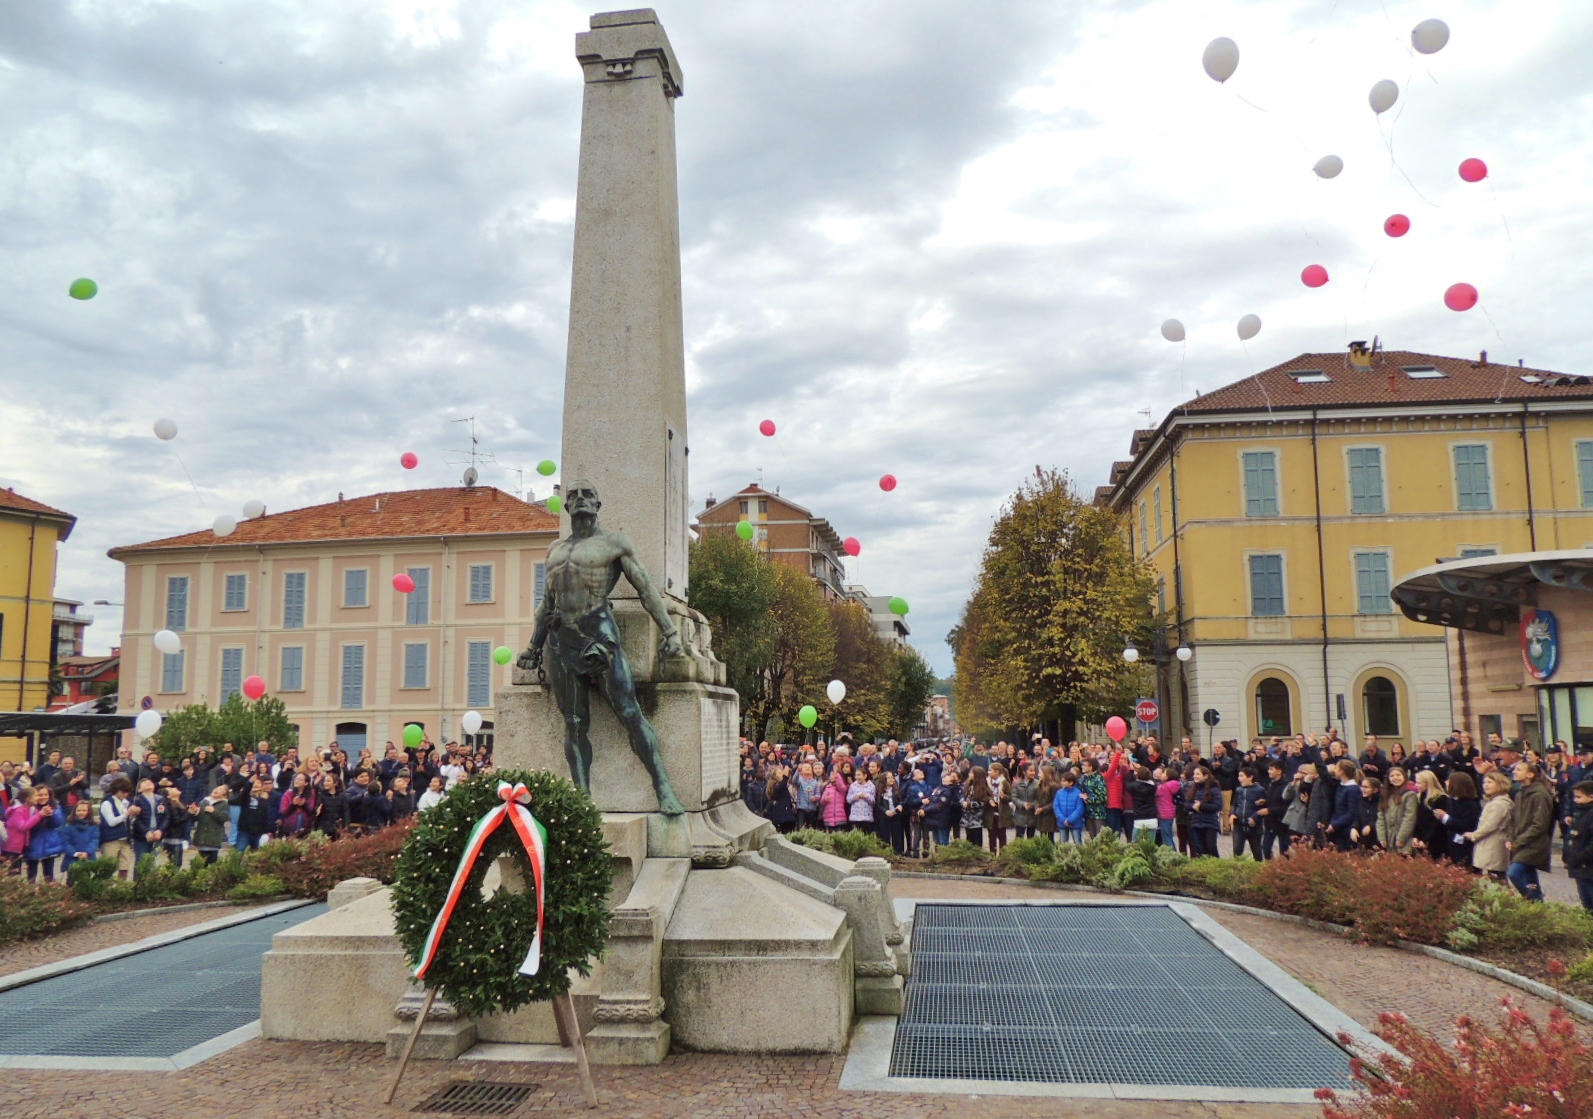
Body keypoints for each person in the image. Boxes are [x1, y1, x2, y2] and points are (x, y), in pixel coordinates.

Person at [1506, 760, 1556, 902]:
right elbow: (1513, 818)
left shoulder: (1539, 794)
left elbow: (1540, 824)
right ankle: (1537, 903)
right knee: (1529, 876)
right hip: (1520, 842)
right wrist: (1510, 838)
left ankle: (1531, 900)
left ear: (1530, 774)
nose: (1514, 772)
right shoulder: (1520, 793)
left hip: (1534, 843)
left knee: (1514, 874)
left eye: (1519, 769)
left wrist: (1518, 841)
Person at [1466, 770, 1515, 881]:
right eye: (1484, 782)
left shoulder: (1499, 804)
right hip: (1489, 843)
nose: (1486, 785)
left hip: (1494, 844)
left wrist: (1475, 835)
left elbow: (1490, 825)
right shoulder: (1493, 801)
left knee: (1496, 877)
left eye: (1490, 782)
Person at [1435, 771, 1482, 868]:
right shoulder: (1451, 800)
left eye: (1449, 781)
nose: (1446, 783)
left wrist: (1445, 817)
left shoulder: (1470, 804)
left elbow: (1467, 824)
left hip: (1464, 844)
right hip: (1451, 843)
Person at [98, 778, 137, 879]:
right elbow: (111, 822)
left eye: (127, 792)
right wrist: (127, 814)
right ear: (115, 790)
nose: (125, 794)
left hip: (126, 839)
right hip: (111, 839)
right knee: (108, 868)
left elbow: (129, 821)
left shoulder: (127, 803)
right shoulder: (107, 803)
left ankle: (121, 889)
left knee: (124, 868)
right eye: (122, 792)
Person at [1376, 767, 1419, 856]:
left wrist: (1401, 838)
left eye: (1398, 775)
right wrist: (1382, 837)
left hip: (1404, 839)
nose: (1395, 778)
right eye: (1392, 776)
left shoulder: (1410, 794)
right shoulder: (1386, 794)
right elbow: (1381, 817)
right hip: (1389, 838)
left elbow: (1409, 818)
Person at [130, 778, 171, 870]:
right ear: (139, 789)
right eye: (144, 783)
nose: (148, 783)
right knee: (141, 862)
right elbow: (136, 819)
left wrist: (160, 831)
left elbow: (167, 817)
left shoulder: (161, 799)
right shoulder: (136, 800)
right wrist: (146, 832)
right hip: (141, 836)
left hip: (157, 834)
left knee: (153, 862)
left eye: (150, 782)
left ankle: (150, 882)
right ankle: (138, 883)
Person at [1565, 780, 1593, 912]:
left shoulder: (1589, 814)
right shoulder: (1581, 812)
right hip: (1580, 866)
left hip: (1587, 866)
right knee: (1586, 902)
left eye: (1579, 797)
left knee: (1589, 902)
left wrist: (1580, 857)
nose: (1575, 800)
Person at [1410, 769, 1449, 859]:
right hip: (1421, 838)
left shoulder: (1440, 798)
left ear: (1428, 783)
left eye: (1419, 783)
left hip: (1435, 839)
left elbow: (1436, 823)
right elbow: (1418, 819)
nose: (1416, 785)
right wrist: (1415, 836)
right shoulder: (1420, 797)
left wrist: (1426, 840)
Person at [58, 799, 100, 877]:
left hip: (89, 857)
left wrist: (87, 852)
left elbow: (94, 841)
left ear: (88, 812)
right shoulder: (68, 826)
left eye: (84, 810)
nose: (81, 812)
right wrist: (75, 853)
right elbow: (65, 842)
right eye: (79, 810)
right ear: (75, 811)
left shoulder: (93, 826)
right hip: (72, 858)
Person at [190, 786, 230, 866]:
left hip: (213, 839)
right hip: (201, 838)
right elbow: (198, 818)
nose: (217, 790)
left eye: (221, 790)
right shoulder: (203, 802)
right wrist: (194, 812)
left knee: (212, 864)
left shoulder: (224, 804)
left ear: (224, 795)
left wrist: (214, 812)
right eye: (216, 788)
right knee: (201, 864)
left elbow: (223, 818)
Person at [1186, 767, 1222, 857]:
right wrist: (1192, 806)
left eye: (1197, 774)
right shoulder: (1193, 789)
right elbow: (1186, 804)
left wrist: (1201, 806)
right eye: (1194, 774)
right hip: (1196, 822)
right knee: (1200, 849)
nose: (1195, 776)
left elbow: (1217, 806)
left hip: (1210, 823)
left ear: (1205, 776)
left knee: (1211, 848)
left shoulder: (1214, 789)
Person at [920, 770, 960, 848]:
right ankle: (938, 857)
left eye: (947, 777)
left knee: (943, 841)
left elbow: (939, 806)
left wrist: (925, 810)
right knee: (936, 841)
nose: (945, 777)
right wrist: (922, 808)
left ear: (950, 782)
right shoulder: (938, 788)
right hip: (934, 819)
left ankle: (944, 857)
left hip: (942, 819)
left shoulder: (947, 791)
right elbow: (930, 799)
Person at [1259, 759, 1290, 860]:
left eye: (1271, 769)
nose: (1268, 771)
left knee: (1284, 851)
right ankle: (1272, 869)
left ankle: (1285, 871)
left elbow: (1286, 807)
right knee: (1266, 848)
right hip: (1270, 822)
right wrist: (1265, 801)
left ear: (1279, 771)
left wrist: (1269, 810)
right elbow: (1273, 800)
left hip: (1282, 823)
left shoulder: (1286, 786)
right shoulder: (1271, 784)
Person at [1231, 767, 1264, 859]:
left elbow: (1263, 807)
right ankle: (1236, 870)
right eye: (1238, 776)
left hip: (1254, 825)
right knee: (1237, 849)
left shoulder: (1259, 790)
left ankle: (1259, 869)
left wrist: (1255, 817)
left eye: (1241, 776)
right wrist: (1233, 814)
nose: (1239, 778)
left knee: (1256, 850)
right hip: (1239, 824)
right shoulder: (1239, 790)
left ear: (1250, 777)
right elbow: (1235, 804)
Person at [961, 767, 991, 847]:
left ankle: (978, 856)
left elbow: (982, 802)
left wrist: (969, 804)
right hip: (967, 817)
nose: (969, 775)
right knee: (969, 838)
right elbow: (962, 796)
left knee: (977, 839)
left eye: (971, 773)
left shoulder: (982, 788)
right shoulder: (968, 785)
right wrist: (962, 802)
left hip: (976, 819)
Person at [1052, 771, 1085, 844]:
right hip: (1062, 822)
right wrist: (1063, 819)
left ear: (1071, 783)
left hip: (1075, 823)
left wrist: (1070, 820)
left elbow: (1079, 809)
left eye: (1064, 781)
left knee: (1077, 842)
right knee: (1063, 842)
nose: (1062, 783)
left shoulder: (1078, 793)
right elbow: (1056, 806)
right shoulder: (1059, 792)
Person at [877, 772, 905, 855]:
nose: (891, 779)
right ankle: (886, 854)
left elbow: (901, 800)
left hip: (895, 815)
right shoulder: (880, 791)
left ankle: (898, 853)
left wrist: (900, 805)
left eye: (892, 777)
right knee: (885, 836)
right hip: (884, 817)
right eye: (888, 777)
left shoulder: (896, 790)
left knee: (897, 835)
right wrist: (885, 811)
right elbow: (878, 804)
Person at [1078, 758, 1107, 840]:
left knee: (1100, 838)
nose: (1082, 767)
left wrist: (1088, 798)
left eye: (1084, 765)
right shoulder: (1084, 778)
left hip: (1098, 813)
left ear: (1090, 767)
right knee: (1092, 838)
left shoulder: (1098, 778)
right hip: (1088, 813)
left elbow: (1103, 796)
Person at [1010, 763, 1040, 840]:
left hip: (1032, 816)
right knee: (1019, 838)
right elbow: (1014, 797)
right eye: (1031, 770)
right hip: (1020, 816)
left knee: (1031, 838)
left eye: (1034, 771)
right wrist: (1023, 804)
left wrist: (1032, 805)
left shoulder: (1037, 783)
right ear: (1024, 772)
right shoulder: (1017, 784)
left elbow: (1039, 798)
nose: (1033, 772)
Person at [1153, 766, 1180, 849]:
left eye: (1164, 773)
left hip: (1164, 814)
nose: (1162, 774)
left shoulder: (1164, 787)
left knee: (1167, 838)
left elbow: (1154, 792)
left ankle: (1173, 857)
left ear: (1168, 776)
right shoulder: (1173, 785)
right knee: (1168, 836)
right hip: (1169, 813)